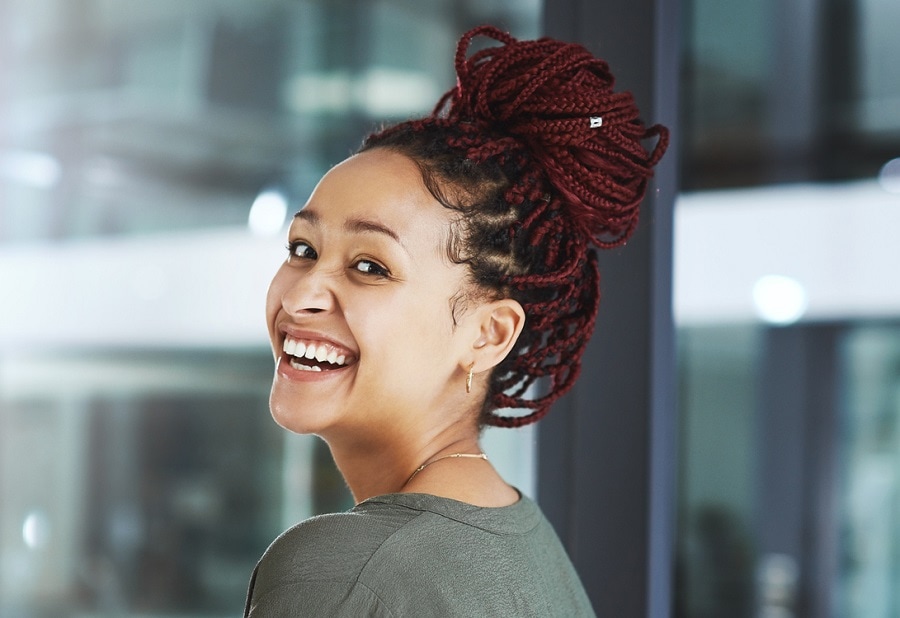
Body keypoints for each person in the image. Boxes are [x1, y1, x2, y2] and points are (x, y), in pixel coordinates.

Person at [243, 25, 668, 617]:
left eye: (370, 266)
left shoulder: (349, 571)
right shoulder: (523, 545)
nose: (304, 294)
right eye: (303, 249)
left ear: (487, 334)